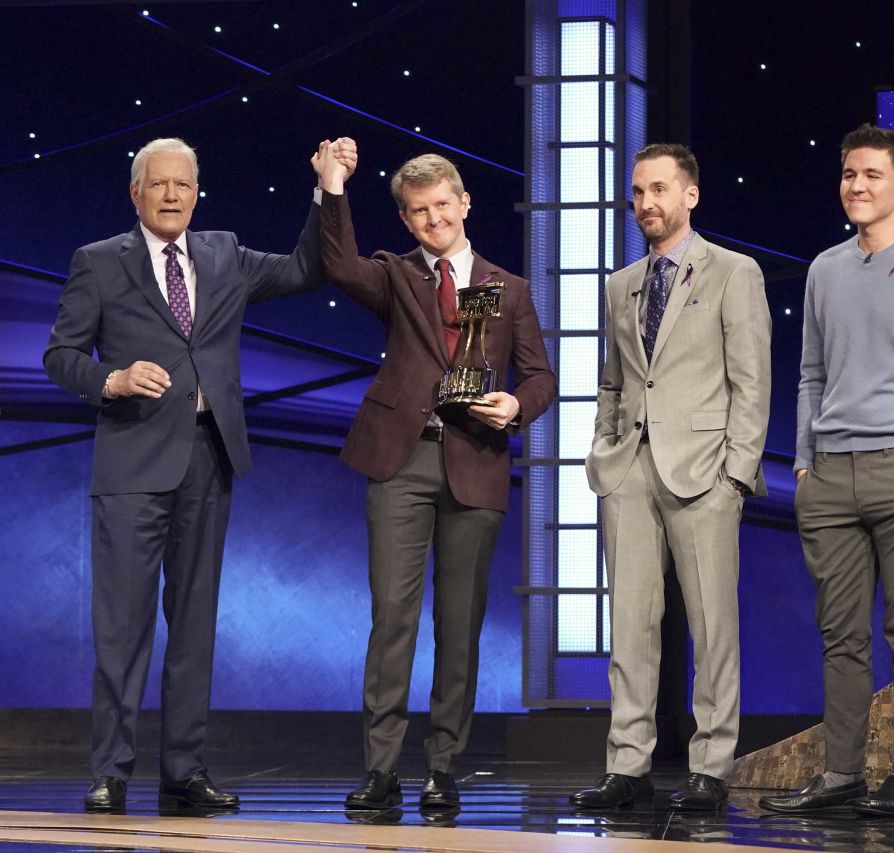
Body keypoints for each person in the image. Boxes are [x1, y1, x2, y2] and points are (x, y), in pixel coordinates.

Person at [44, 137, 335, 813]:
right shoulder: (99, 261)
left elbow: (306, 268)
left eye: (183, 184)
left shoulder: (223, 253)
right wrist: (110, 378)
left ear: (197, 192)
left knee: (195, 623)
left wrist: (326, 191)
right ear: (136, 193)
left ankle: (184, 769)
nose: (172, 195)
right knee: (122, 627)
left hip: (209, 458)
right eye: (159, 184)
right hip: (131, 464)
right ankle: (110, 770)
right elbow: (60, 354)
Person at [312, 140, 555, 813]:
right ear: (406, 219)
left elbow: (540, 377)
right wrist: (333, 187)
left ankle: (443, 766)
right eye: (419, 212)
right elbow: (337, 263)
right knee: (392, 617)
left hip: (475, 462)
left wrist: (514, 404)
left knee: (459, 622)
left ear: (464, 202)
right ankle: (381, 767)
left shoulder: (508, 289)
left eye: (443, 205)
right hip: (401, 458)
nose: (434, 219)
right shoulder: (395, 275)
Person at [759, 125, 894, 817]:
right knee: (841, 634)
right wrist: (802, 462)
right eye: (849, 173)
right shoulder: (824, 268)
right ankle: (841, 773)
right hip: (829, 477)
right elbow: (811, 374)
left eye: (872, 175)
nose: (856, 185)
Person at [571, 143, 772, 812]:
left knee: (714, 625)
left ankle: (710, 766)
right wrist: (604, 447)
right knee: (630, 624)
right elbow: (613, 379)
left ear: (690, 194)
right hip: (630, 468)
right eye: (637, 192)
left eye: (658, 189)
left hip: (704, 472)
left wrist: (737, 475)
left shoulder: (733, 272)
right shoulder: (619, 283)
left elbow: (751, 379)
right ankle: (626, 766)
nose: (645, 203)